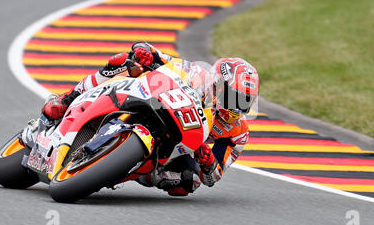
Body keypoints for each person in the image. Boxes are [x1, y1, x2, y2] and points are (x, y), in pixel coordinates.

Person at [40, 42, 259, 196]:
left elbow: (213, 177)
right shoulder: (196, 75)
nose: (237, 107)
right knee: (123, 61)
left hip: (178, 147)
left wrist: (208, 161)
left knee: (187, 183)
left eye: (245, 102)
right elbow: (161, 57)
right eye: (234, 97)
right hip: (159, 104)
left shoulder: (238, 133)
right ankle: (69, 98)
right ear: (219, 85)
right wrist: (145, 52)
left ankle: (134, 169)